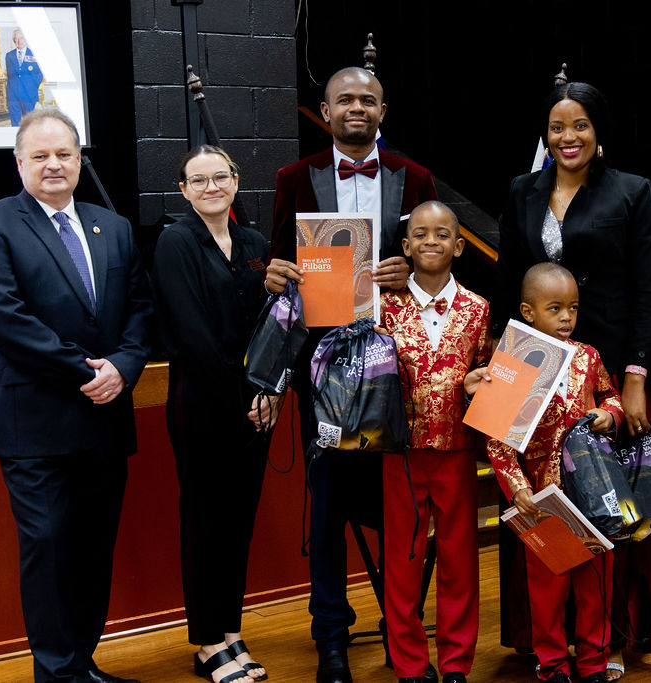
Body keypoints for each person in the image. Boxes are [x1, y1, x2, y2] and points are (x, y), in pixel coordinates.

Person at [0, 108, 152, 683]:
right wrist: (84, 371)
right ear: (19, 162)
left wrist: (122, 366)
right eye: (39, 155)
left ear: (79, 159)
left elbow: (141, 311)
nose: (53, 165)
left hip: (104, 421)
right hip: (37, 424)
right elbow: (3, 317)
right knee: (47, 548)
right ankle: (57, 673)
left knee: (94, 550)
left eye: (63, 154)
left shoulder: (111, 226)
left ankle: (82, 664)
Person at [265, 66, 438, 683]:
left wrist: (412, 274)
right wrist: (277, 269)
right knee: (329, 507)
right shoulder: (294, 178)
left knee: (397, 508)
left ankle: (403, 634)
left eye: (368, 100)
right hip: (324, 374)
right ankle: (331, 640)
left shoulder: (413, 177)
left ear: (383, 110)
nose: (357, 108)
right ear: (326, 109)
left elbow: (435, 261)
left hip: (400, 367)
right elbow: (275, 262)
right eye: (346, 100)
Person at [494, 80, 651, 674]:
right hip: (532, 370)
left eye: (580, 126)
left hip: (605, 377)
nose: (567, 138)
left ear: (599, 133)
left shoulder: (633, 191)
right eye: (556, 128)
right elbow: (507, 283)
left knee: (609, 510)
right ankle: (544, 641)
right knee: (543, 507)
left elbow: (650, 288)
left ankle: (613, 639)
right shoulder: (523, 190)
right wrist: (496, 368)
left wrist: (636, 376)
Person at [150, 145, 276, 683]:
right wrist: (244, 397)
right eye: (197, 181)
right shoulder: (175, 242)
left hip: (256, 403)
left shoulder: (253, 243)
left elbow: (275, 320)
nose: (210, 187)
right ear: (183, 190)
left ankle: (231, 632)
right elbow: (193, 335)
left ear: (234, 181)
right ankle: (205, 643)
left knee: (238, 524)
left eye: (219, 177)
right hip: (203, 403)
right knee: (206, 523)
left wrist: (271, 389)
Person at [469, 262, 622, 683]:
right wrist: (517, 488)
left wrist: (609, 414)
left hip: (591, 492)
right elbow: (497, 440)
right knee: (547, 586)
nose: (567, 317)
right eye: (555, 308)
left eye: (573, 307)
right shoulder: (514, 366)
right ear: (528, 311)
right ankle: (551, 662)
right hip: (541, 496)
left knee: (595, 581)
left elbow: (612, 397)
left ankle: (594, 660)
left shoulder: (589, 357)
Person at [378, 201, 491, 683]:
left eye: (442, 234)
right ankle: (408, 664)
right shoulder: (379, 306)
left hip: (457, 451)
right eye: (419, 234)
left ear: (459, 246)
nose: (430, 241)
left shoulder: (479, 309)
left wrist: (479, 385)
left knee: (460, 562)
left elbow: (486, 378)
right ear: (405, 246)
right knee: (403, 562)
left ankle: (456, 663)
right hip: (399, 454)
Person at [5, 28, 44, 126]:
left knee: (29, 124)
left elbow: (39, 74)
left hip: (28, 95)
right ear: (14, 41)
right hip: (13, 96)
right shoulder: (9, 56)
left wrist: (31, 87)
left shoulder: (34, 54)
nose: (19, 41)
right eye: (16, 39)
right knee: (15, 123)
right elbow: (10, 76)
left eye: (21, 38)